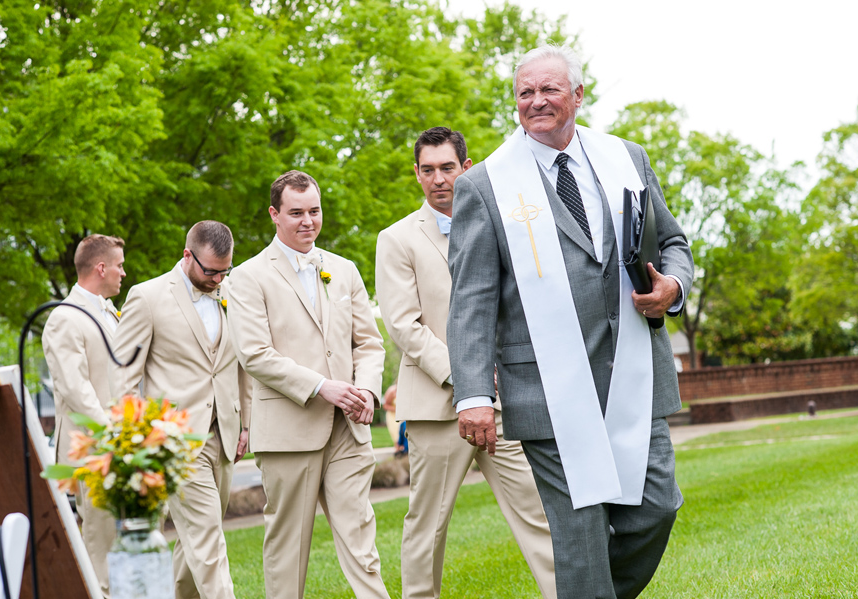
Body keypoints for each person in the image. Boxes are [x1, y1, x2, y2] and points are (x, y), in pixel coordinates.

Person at [447, 44, 694, 599]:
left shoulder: (626, 159)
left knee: (656, 507)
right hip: (545, 387)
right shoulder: (485, 186)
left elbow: (672, 241)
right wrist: (472, 395)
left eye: (549, 90)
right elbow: (472, 299)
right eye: (524, 93)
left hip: (634, 374)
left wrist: (672, 286)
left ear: (578, 95)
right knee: (580, 536)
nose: (536, 102)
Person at [376, 127, 556, 599]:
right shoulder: (396, 240)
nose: (439, 179)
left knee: (539, 514)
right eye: (428, 170)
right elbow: (404, 325)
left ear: (467, 167)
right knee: (427, 526)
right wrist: (470, 377)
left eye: (447, 167)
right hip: (438, 406)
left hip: (507, 402)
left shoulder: (503, 226)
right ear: (416, 174)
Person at [227, 170, 390, 599]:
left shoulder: (344, 269)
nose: (308, 221)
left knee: (361, 540)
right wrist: (323, 386)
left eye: (314, 211)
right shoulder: (247, 277)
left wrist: (367, 391)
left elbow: (369, 344)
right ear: (274, 214)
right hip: (288, 431)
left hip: (348, 430)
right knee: (288, 549)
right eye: (296, 212)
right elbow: (255, 354)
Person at [112, 221, 251, 599]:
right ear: (187, 255)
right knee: (208, 540)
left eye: (226, 270)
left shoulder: (231, 292)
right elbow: (124, 377)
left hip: (222, 435)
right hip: (173, 442)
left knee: (196, 542)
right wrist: (134, 442)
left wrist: (245, 425)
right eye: (211, 270)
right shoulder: (147, 297)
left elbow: (240, 363)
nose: (219, 278)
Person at [43, 234, 126, 598]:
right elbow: (76, 390)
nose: (124, 273)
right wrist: (113, 434)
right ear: (101, 267)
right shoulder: (65, 317)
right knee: (101, 544)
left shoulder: (108, 310)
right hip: (93, 446)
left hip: (121, 446)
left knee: (123, 543)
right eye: (120, 265)